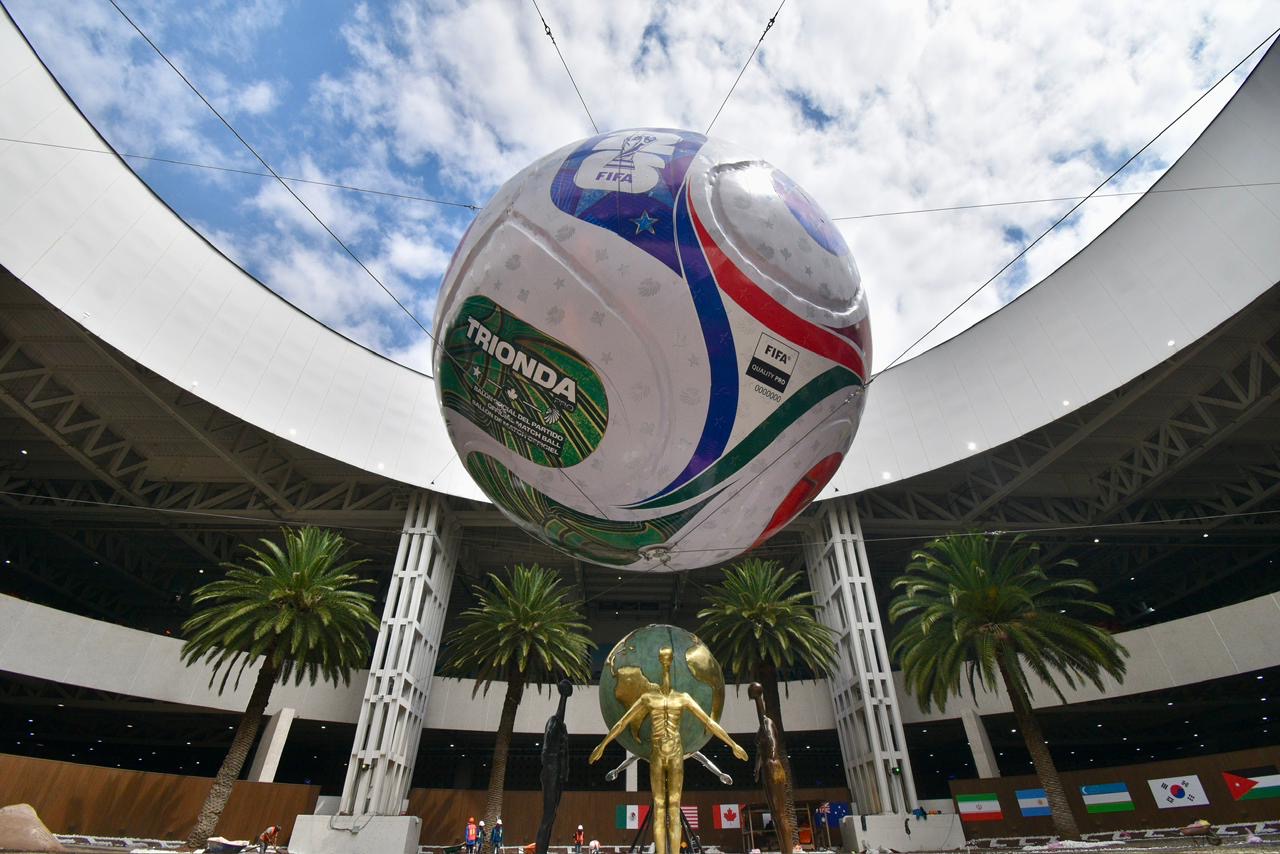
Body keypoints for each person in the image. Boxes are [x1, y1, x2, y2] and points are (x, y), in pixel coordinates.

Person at [590, 647, 747, 854]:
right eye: (662, 658)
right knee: (659, 805)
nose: (665, 663)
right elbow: (622, 722)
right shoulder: (648, 698)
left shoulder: (683, 698)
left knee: (674, 805)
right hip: (657, 752)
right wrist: (603, 745)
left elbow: (708, 722)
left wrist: (733, 744)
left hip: (675, 752)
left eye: (668, 659)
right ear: (659, 662)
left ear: (672, 663)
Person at [749, 682, 795, 854]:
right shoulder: (762, 727)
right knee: (776, 814)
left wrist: (772, 756)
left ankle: (788, 850)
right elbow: (760, 752)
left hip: (773, 767)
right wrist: (756, 768)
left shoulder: (767, 723)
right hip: (767, 768)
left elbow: (771, 744)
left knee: (780, 813)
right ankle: (785, 849)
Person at [536, 680, 573, 854]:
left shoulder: (562, 728)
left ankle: (542, 849)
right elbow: (559, 718)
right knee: (548, 815)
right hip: (550, 770)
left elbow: (565, 753)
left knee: (551, 816)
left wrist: (564, 774)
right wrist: (563, 697)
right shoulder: (554, 722)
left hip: (558, 774)